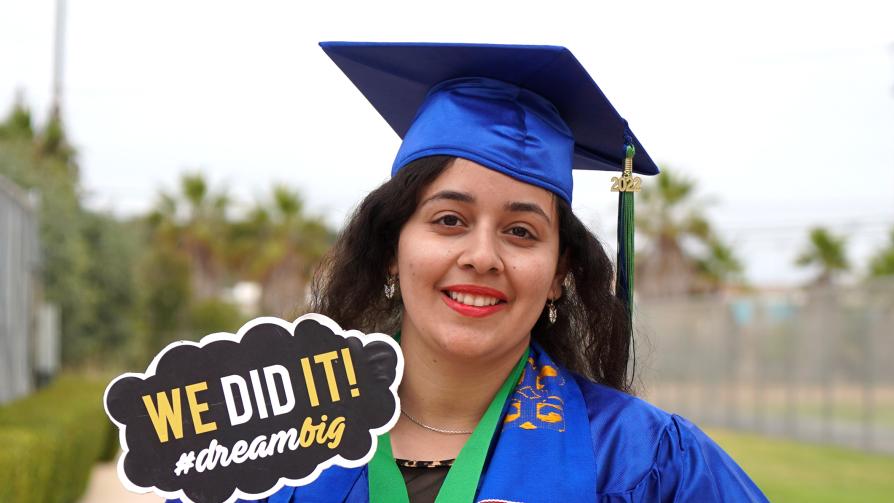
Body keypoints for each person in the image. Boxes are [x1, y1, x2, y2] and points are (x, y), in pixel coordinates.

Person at [171, 42, 767, 502]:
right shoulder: (272, 442)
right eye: (450, 220)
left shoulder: (642, 461)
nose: (482, 256)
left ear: (559, 273)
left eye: (521, 232)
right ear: (389, 249)